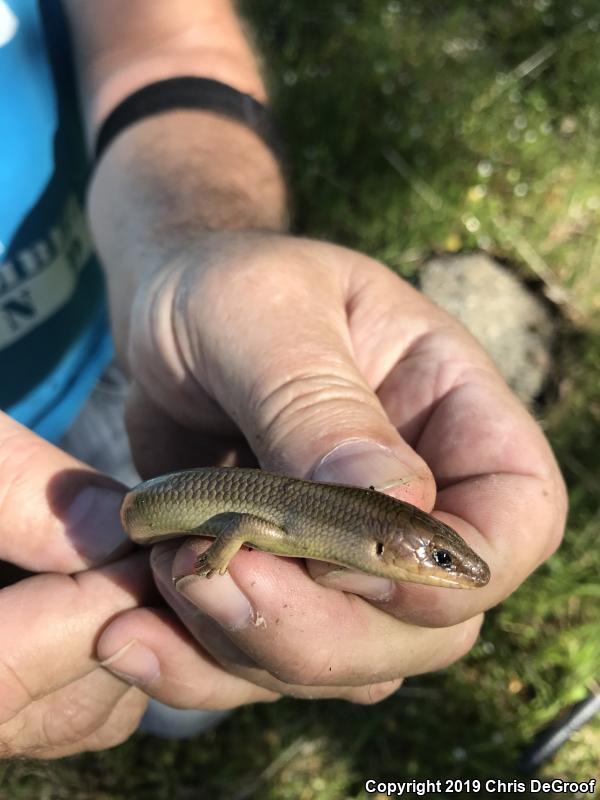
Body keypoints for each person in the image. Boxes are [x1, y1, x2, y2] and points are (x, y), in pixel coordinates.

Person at [0, 0, 567, 758]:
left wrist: (196, 250)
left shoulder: (327, 523)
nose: (449, 568)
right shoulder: (302, 526)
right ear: (386, 541)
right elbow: (240, 525)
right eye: (437, 558)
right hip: (132, 494)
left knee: (177, 660)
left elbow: (162, 41)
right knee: (133, 632)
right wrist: (217, 558)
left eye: (439, 557)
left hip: (116, 357)